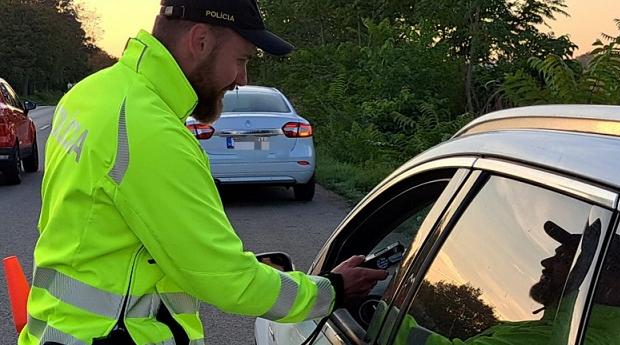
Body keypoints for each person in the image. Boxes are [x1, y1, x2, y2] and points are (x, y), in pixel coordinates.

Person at [19, 1, 388, 344]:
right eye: (241, 59)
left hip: (60, 330)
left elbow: (108, 229)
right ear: (200, 40)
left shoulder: (95, 93)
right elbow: (228, 281)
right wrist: (332, 290)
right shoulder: (150, 132)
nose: (241, 78)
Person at [392, 219, 620, 345]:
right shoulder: (564, 329)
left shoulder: (561, 338)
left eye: (564, 258)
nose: (546, 262)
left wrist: (383, 315)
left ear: (605, 281)